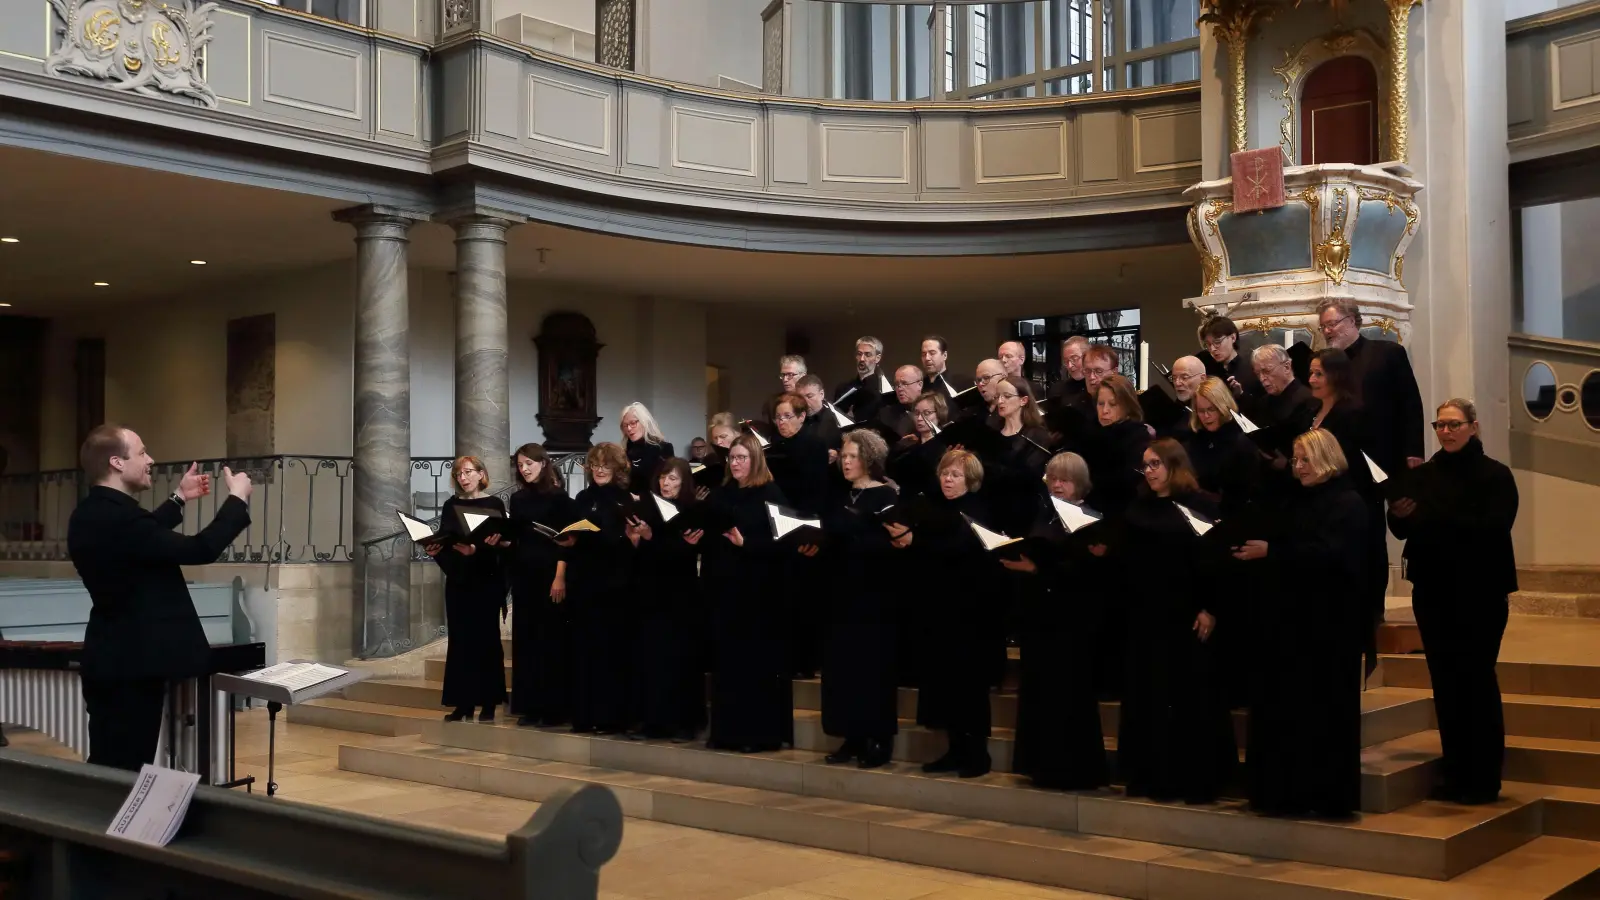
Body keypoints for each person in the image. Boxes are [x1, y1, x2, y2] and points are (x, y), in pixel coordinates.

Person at [67, 425, 253, 771]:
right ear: (117, 463)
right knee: (122, 770)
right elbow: (201, 548)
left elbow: (140, 540)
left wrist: (178, 498)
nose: (150, 460)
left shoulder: (91, 513)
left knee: (112, 764)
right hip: (133, 665)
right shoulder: (122, 519)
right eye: (141, 452)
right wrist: (237, 500)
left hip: (111, 656)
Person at [1388, 399, 1520, 805]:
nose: (1445, 432)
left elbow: (1494, 525)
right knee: (1445, 683)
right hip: (1433, 590)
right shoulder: (1423, 475)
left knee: (1476, 680)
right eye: (1439, 425)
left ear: (1473, 427)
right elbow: (1401, 527)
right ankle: (1455, 769)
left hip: (1480, 592)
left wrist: (1431, 517)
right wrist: (1401, 514)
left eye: (1453, 425)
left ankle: (1483, 778)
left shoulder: (1495, 475)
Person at [1235, 429, 1367, 818]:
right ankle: (1282, 793)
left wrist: (1273, 551)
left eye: (1305, 459)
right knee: (1285, 711)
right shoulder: (1295, 501)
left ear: (1327, 458)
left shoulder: (1348, 503)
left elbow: (1334, 556)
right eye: (1295, 460)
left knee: (1324, 713)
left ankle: (1325, 798)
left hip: (1328, 628)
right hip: (1289, 624)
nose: (1298, 467)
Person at [1114, 439, 1234, 804]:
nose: (1148, 471)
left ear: (1174, 466)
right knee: (1147, 697)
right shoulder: (1138, 506)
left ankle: (1193, 779)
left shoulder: (1199, 506)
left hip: (1186, 615)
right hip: (1146, 615)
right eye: (1145, 465)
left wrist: (1209, 608)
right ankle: (1150, 775)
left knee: (1190, 699)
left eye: (1155, 464)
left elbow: (1213, 562)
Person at [1003, 452, 1111, 790]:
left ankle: (1073, 770)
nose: (1058, 484)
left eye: (1064, 479)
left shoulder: (1090, 519)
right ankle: (1042, 766)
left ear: (1079, 482)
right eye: (1052, 478)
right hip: (1041, 617)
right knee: (1040, 692)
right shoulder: (1044, 517)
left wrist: (1040, 569)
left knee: (1069, 696)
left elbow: (1087, 576)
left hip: (1072, 622)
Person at [897, 449, 998, 779]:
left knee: (967, 686)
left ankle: (976, 754)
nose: (949, 480)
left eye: (956, 475)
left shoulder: (978, 510)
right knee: (943, 685)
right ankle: (954, 749)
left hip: (969, 614)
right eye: (945, 474)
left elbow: (961, 551)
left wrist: (917, 542)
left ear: (971, 480)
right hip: (938, 612)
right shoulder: (934, 509)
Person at [704, 434, 794, 753]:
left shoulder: (771, 493)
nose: (736, 463)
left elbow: (786, 542)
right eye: (732, 458)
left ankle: (757, 735)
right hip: (727, 588)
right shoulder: (721, 494)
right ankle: (725, 733)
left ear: (755, 459)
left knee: (754, 665)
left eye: (743, 457)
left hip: (759, 592)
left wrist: (749, 544)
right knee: (727, 664)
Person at [819, 431, 900, 769]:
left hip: (873, 594)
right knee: (843, 669)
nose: (846, 461)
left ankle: (878, 739)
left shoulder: (885, 495)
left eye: (853, 456)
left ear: (869, 458)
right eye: (844, 456)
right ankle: (850, 736)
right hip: (841, 591)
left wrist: (854, 534)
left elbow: (890, 545)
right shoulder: (839, 494)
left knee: (872, 669)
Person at [1309, 348, 1388, 677]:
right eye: (1311, 373)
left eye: (1318, 374)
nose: (1311, 380)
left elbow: (1361, 462)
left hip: (1347, 501)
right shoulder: (1314, 411)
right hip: (1318, 503)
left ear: (1337, 376)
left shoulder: (1353, 412)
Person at [627, 457, 708, 741]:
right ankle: (653, 721)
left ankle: (684, 723)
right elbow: (641, 555)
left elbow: (685, 553)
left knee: (680, 660)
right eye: (663, 478)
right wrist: (638, 539)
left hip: (681, 595)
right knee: (651, 659)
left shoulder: (692, 510)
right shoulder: (647, 507)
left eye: (673, 478)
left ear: (684, 481)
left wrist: (651, 538)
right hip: (651, 592)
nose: (666, 483)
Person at [426, 456, 510, 723]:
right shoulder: (452, 505)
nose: (462, 477)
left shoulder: (494, 504)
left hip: (486, 580)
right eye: (458, 473)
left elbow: (500, 543)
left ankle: (487, 703)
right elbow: (446, 537)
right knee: (461, 643)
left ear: (481, 474)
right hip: (460, 581)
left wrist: (477, 549)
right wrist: (435, 549)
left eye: (468, 472)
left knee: (486, 641)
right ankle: (463, 704)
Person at [505, 443, 578, 728]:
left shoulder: (560, 499)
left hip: (551, 574)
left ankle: (553, 709)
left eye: (529, 464)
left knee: (551, 641)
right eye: (520, 465)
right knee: (527, 641)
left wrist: (560, 576)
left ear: (543, 464)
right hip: (525, 576)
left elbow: (568, 541)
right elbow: (517, 536)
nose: (524, 469)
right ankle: (529, 706)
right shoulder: (518, 499)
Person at [567, 443, 637, 734]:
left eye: (605, 465)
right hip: (585, 581)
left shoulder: (626, 499)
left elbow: (628, 540)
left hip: (615, 582)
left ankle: (611, 717)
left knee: (611, 651)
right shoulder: (583, 497)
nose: (599, 469)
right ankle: (585, 715)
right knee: (585, 651)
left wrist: (614, 537)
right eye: (595, 464)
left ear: (617, 469)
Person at [1317, 299, 1425, 478]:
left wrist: (1414, 450)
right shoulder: (1326, 365)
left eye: (1332, 324)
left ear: (1351, 321)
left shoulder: (1388, 352)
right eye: (1323, 327)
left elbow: (1410, 403)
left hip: (1385, 450)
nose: (1327, 331)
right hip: (1344, 456)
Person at [1083, 373, 1150, 517]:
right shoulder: (1091, 433)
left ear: (1127, 406)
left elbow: (1128, 482)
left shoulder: (1138, 436)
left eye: (1113, 404)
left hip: (1123, 513)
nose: (1105, 410)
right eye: (1100, 404)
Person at [621, 402, 674, 496]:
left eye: (633, 423)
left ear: (644, 422)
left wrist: (641, 498)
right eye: (625, 425)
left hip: (653, 504)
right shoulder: (624, 452)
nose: (629, 428)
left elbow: (667, 484)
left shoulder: (663, 448)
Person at [834, 336, 889, 423]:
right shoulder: (843, 389)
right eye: (859, 354)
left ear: (877, 358)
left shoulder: (884, 390)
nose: (862, 359)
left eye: (868, 355)